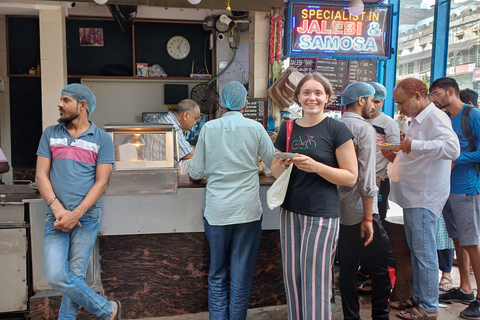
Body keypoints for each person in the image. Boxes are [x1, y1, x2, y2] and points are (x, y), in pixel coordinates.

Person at [271, 72, 358, 320]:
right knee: (293, 278)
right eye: (306, 93)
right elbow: (275, 170)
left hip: (322, 214)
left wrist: (316, 166)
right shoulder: (288, 129)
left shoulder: (337, 130)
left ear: (327, 97)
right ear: (298, 97)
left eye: (318, 93)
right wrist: (285, 163)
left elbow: (351, 177)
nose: (312, 98)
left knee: (315, 280)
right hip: (289, 211)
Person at [189, 81, 274, 320]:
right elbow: (272, 162)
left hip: (217, 213)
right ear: (245, 103)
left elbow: (195, 172)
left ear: (221, 104)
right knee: (241, 274)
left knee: (217, 273)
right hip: (247, 212)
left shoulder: (209, 128)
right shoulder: (256, 128)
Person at [35, 83, 120, 320]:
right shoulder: (50, 134)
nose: (59, 105)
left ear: (82, 106)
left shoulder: (101, 139)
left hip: (87, 217)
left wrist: (77, 214)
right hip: (56, 216)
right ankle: (108, 310)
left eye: (65, 100)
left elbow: (101, 183)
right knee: (56, 277)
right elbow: (41, 175)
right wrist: (59, 209)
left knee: (75, 276)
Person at [384, 78, 460, 320]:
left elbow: (452, 149)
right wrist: (395, 154)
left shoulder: (436, 118)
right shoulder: (417, 120)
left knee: (424, 252)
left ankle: (428, 306)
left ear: (417, 95)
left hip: (424, 196)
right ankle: (419, 297)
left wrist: (413, 144)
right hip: (414, 194)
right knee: (417, 251)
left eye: (402, 102)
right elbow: (417, 154)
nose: (400, 108)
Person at [338, 82, 396, 320]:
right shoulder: (365, 129)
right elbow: (367, 177)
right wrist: (368, 217)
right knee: (384, 267)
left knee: (347, 270)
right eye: (372, 100)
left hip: (338, 212)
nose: (374, 105)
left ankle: (351, 317)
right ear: (361, 100)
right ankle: (380, 316)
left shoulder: (333, 125)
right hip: (362, 211)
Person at [429, 77, 480, 319]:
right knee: (458, 239)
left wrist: (455, 159)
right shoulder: (445, 118)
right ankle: (465, 290)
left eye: (437, 94)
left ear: (451, 91)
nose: (434, 99)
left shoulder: (472, 116)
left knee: (471, 242)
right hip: (445, 186)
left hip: (466, 187)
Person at [367, 82, 401, 221]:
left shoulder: (388, 123)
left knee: (376, 219)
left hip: (378, 179)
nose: (373, 106)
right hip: (355, 177)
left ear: (382, 103)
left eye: (377, 102)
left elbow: (395, 149)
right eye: (370, 101)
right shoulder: (356, 120)